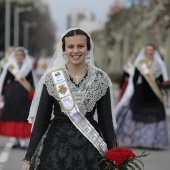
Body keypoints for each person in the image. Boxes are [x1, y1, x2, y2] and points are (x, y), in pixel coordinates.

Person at [22, 28, 117, 170]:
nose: (75, 51)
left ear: (88, 48)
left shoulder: (100, 79)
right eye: (70, 46)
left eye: (81, 46)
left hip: (91, 148)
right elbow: (41, 121)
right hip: (56, 147)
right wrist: (29, 157)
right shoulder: (52, 78)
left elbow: (106, 123)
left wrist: (115, 156)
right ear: (64, 50)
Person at [115, 44, 169, 149]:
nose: (149, 52)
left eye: (151, 50)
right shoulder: (140, 64)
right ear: (145, 52)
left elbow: (162, 80)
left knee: (156, 116)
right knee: (137, 116)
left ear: (154, 52)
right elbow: (134, 79)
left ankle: (154, 141)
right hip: (141, 93)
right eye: (147, 50)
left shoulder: (158, 64)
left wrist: (165, 89)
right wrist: (135, 91)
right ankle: (138, 139)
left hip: (154, 94)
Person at [0, 47, 37, 149]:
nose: (18, 57)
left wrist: (34, 93)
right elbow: (4, 80)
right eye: (17, 55)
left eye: (20, 55)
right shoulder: (10, 66)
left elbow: (32, 81)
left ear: (24, 57)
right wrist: (2, 94)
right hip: (11, 94)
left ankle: (22, 140)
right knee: (13, 116)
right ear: (14, 56)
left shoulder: (28, 67)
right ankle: (16, 139)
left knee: (23, 115)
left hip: (23, 94)